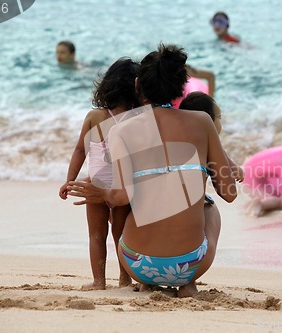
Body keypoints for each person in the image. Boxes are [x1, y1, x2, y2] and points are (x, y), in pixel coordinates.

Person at [67, 44, 237, 297]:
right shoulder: (202, 122)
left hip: (136, 263)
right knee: (209, 206)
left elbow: (121, 197)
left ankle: (148, 281)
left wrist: (102, 194)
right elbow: (230, 192)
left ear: (139, 86)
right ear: (182, 86)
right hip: (189, 265)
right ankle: (187, 285)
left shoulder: (121, 131)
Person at [59, 58, 140, 290]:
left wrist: (70, 180)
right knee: (121, 235)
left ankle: (99, 281)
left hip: (94, 186)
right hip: (123, 189)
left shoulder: (95, 117)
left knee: (96, 235)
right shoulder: (137, 118)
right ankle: (125, 279)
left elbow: (79, 150)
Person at [179, 92, 243, 183]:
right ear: (207, 121)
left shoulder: (180, 140)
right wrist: (235, 168)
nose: (220, 123)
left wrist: (233, 166)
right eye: (219, 117)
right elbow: (228, 193)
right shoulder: (208, 148)